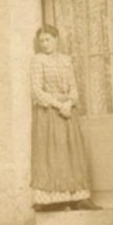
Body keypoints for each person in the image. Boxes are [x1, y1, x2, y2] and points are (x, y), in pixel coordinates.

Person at [29, 25, 99, 212]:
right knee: (52, 154)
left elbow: (73, 88)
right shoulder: (37, 60)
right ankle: (54, 200)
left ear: (56, 39)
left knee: (72, 152)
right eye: (41, 41)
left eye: (48, 40)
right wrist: (59, 105)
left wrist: (69, 103)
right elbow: (36, 91)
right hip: (48, 113)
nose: (45, 44)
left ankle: (79, 198)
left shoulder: (66, 60)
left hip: (67, 113)